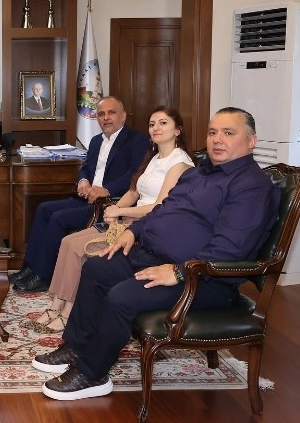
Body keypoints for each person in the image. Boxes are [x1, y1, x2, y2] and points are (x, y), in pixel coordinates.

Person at [32, 107, 280, 401]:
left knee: (121, 297)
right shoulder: (198, 173)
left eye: (228, 133)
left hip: (203, 279)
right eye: (213, 132)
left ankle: (92, 373)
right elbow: (163, 209)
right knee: (97, 268)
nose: (217, 139)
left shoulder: (252, 186)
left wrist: (178, 272)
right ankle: (77, 346)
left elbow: (230, 248)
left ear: (251, 141)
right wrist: (132, 232)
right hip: (153, 257)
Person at [32, 106, 193, 332]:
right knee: (68, 242)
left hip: (149, 228)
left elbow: (161, 207)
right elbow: (134, 192)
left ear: (177, 130)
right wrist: (115, 207)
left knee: (79, 249)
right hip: (129, 220)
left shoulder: (180, 163)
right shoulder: (154, 157)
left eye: (163, 123)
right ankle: (56, 306)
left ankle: (69, 313)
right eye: (152, 124)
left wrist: (121, 212)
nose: (156, 128)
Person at [12, 96, 149, 293]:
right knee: (43, 208)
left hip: (109, 203)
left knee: (59, 218)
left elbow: (135, 174)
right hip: (87, 199)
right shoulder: (95, 141)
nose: (106, 118)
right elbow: (85, 167)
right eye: (101, 114)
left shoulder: (136, 140)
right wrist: (83, 181)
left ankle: (43, 276)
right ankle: (30, 267)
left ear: (123, 116)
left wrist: (107, 189)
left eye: (111, 113)